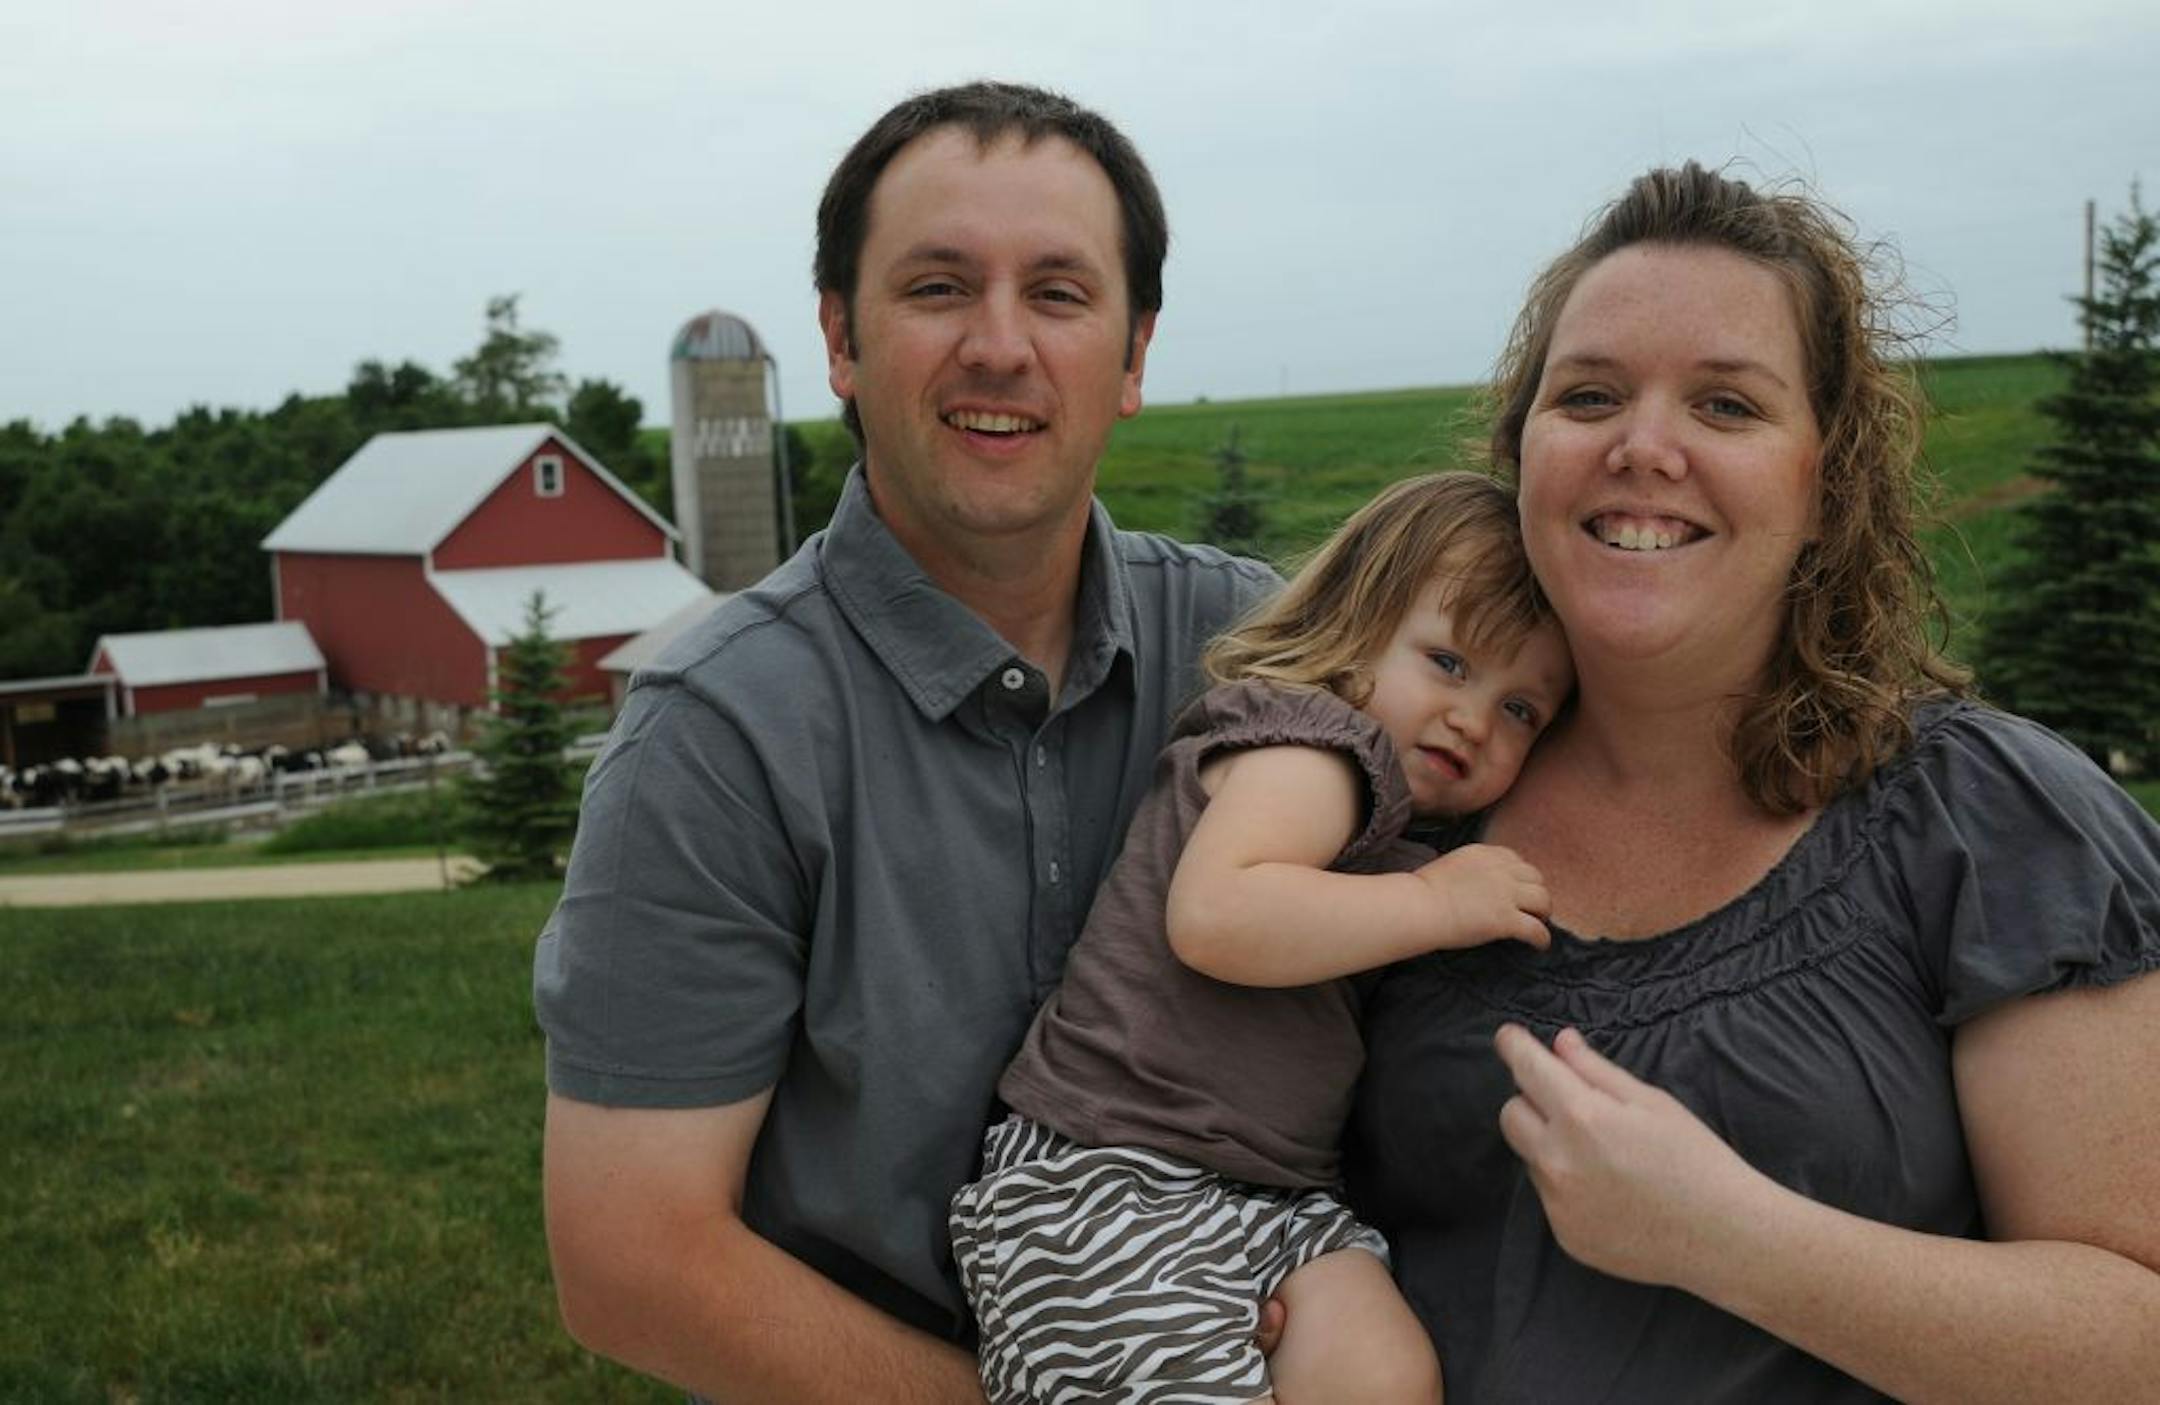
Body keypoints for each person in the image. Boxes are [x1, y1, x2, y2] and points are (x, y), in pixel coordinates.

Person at [1343, 162, 2160, 1401]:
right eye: (1590, 395)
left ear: (1827, 485)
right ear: (1524, 454)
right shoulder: (1409, 802)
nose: (1643, 447)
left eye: (1725, 405)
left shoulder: (1983, 820)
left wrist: (1736, 1239)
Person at [533, 82, 1276, 1401]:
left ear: (1137, 351)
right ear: (840, 336)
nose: (1001, 346)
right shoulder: (718, 738)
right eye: (939, 287)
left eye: (1059, 293)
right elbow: (631, 1256)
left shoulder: (1250, 648)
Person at [952, 472, 1573, 1404]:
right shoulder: (1317, 751)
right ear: (1359, 630)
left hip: (1262, 1196)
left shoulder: (1392, 813)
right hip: (1107, 1175)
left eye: (1521, 708)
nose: (1474, 719)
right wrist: (1438, 903)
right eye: (1448, 663)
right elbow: (1217, 918)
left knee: (1386, 1370)